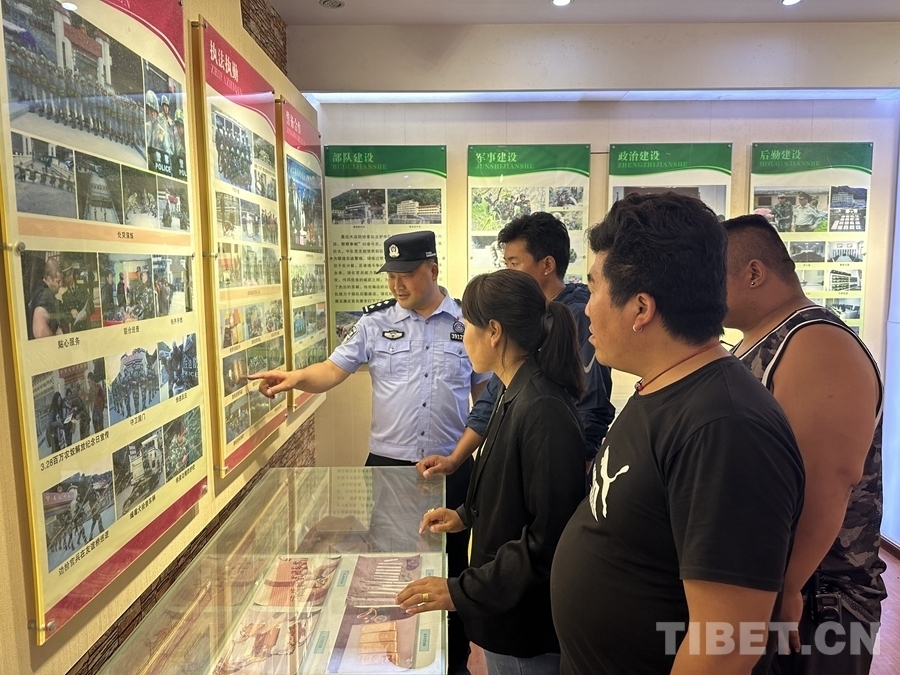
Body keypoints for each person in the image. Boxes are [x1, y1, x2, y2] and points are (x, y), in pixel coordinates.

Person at [550, 192, 805, 675]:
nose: (586, 310)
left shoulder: (726, 428)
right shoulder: (664, 388)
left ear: (641, 307)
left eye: (595, 288)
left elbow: (726, 644)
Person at [250, 231, 490, 675]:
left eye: (407, 275)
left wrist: (467, 456)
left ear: (433, 270)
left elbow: (484, 398)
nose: (397, 285)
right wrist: (295, 378)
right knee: (387, 563)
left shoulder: (466, 322)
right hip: (390, 469)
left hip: (452, 467)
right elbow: (332, 370)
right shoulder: (374, 323)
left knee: (452, 568)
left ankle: (451, 660)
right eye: (391, 276)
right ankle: (393, 656)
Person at [397, 269, 586, 675]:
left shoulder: (543, 408)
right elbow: (509, 488)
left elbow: (546, 541)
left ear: (494, 332)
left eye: (467, 327)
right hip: (503, 609)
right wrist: (465, 515)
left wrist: (459, 590)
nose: (463, 337)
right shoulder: (511, 389)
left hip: (525, 626)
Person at [722, 214, 885, 675]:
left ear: (754, 273)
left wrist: (787, 584)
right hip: (771, 587)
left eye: (712, 274)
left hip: (819, 602)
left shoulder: (815, 342)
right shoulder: (754, 342)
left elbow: (829, 480)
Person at [419, 212, 614, 481]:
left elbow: (592, 406)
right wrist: (454, 459)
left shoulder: (578, 316)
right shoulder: (518, 316)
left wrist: (574, 473)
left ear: (547, 265)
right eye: (506, 263)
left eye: (514, 263)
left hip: (553, 462)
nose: (507, 272)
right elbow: (493, 394)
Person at [27, 257, 65, 339]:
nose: (61, 285)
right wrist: (56, 341)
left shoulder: (37, 289)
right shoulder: (46, 295)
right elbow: (40, 331)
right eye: (58, 281)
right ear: (49, 279)